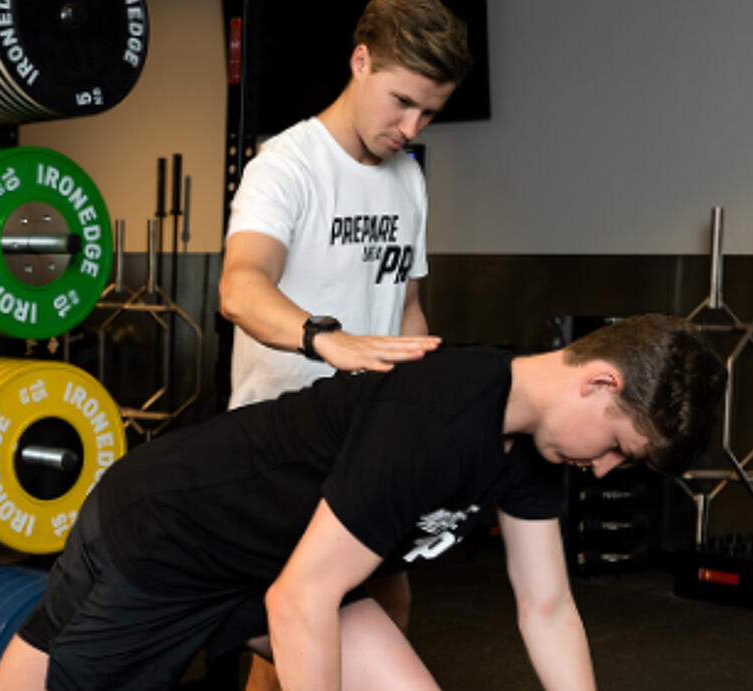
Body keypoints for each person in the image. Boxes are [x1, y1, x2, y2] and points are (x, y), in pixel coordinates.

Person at [0, 314, 727, 691]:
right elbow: (300, 600)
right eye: (618, 446)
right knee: (51, 658)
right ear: (599, 383)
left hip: (277, 560)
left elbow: (547, 607)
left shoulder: (537, 449)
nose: (603, 469)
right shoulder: (439, 416)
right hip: (171, 534)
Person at [217, 2, 472, 682]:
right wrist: (325, 340)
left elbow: (406, 306)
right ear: (361, 62)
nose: (411, 128)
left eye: (429, 113)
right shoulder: (286, 165)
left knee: (387, 606)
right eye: (402, 102)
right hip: (282, 444)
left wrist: (433, 413)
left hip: (370, 440)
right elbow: (240, 286)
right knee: (297, 631)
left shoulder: (408, 176)